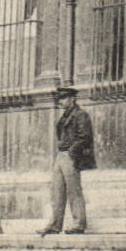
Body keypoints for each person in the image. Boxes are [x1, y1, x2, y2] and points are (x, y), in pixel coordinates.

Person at [38, 85, 95, 236]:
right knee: (57, 191)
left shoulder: (81, 115)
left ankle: (78, 224)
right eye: (60, 98)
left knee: (73, 190)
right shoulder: (65, 116)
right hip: (61, 154)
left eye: (64, 98)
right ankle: (55, 225)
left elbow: (84, 137)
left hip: (71, 155)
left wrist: (71, 152)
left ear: (73, 98)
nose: (61, 101)